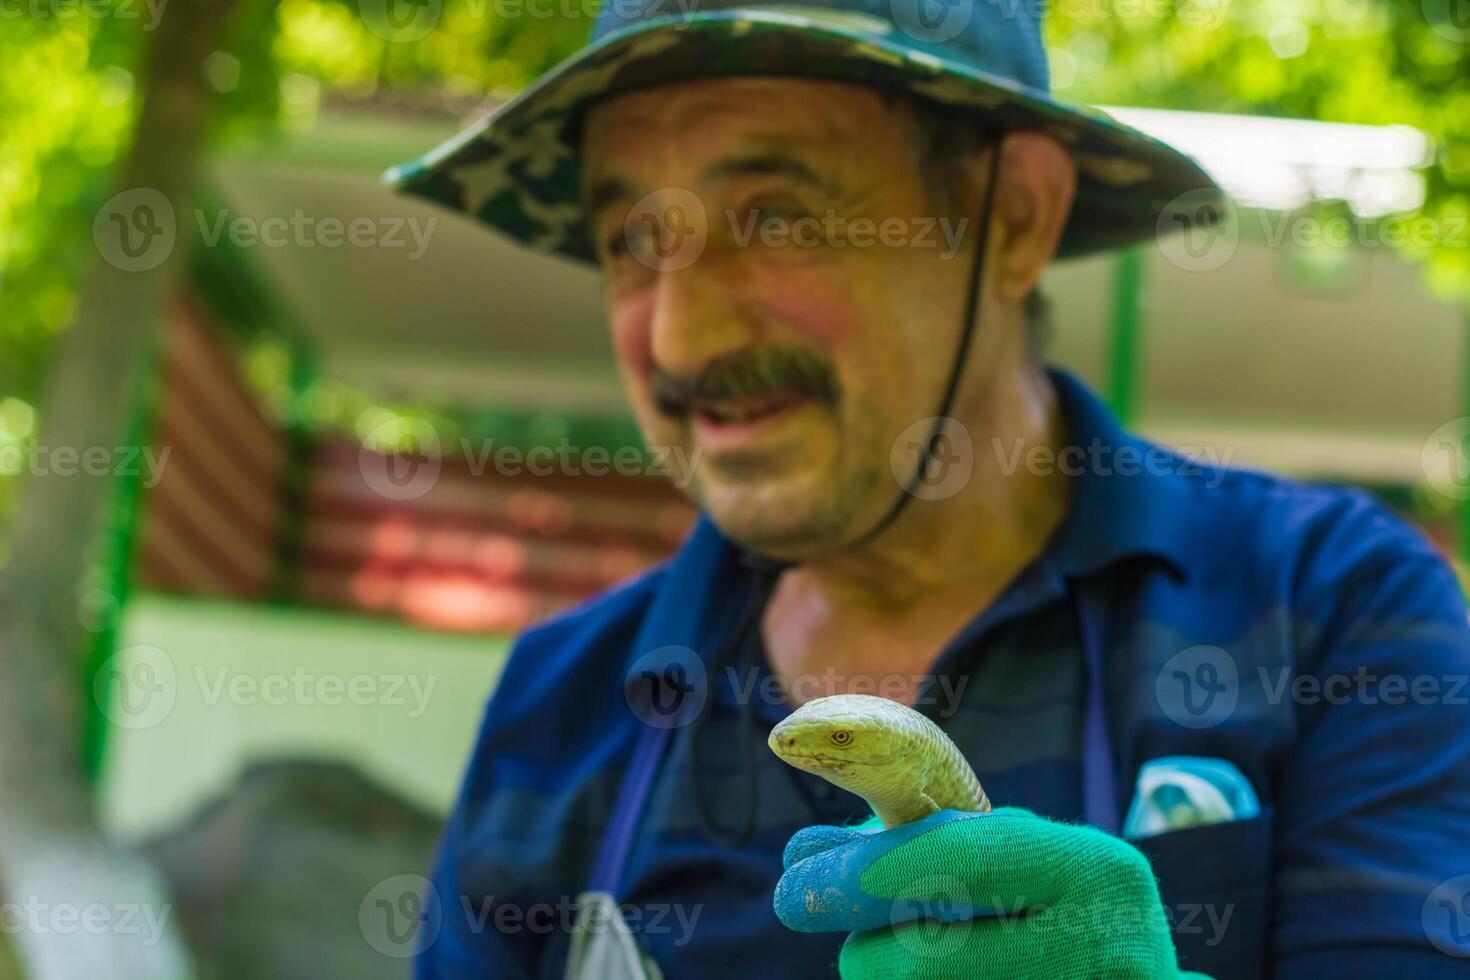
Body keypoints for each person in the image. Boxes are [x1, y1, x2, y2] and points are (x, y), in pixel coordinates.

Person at [388, 0, 1470, 976]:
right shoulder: (562, 702)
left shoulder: (1330, 611)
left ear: (1012, 220)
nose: (681, 335)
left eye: (775, 214)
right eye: (631, 236)